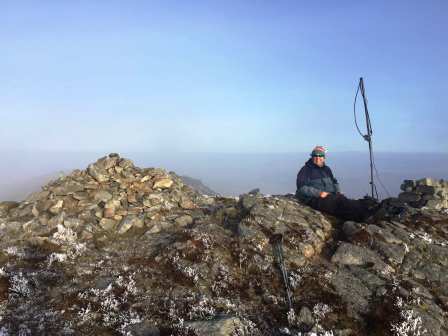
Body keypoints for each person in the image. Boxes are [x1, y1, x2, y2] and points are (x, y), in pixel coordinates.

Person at [295, 146, 378, 222]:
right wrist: (319, 193)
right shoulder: (305, 170)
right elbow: (301, 188)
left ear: (324, 158)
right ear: (312, 157)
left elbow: (334, 181)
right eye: (315, 155)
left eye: (320, 156)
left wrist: (338, 191)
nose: (317, 158)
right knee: (340, 203)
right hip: (315, 199)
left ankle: (367, 212)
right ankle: (363, 217)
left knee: (347, 201)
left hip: (331, 195)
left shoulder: (326, 170)